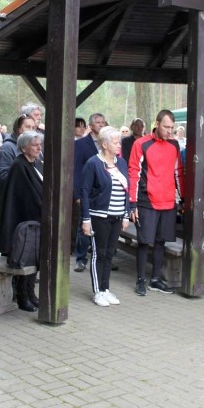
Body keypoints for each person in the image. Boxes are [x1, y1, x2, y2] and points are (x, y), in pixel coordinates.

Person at [128, 110, 184, 296]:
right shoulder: (141, 144)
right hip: (146, 201)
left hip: (168, 202)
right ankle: (141, 280)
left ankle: (155, 279)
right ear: (157, 124)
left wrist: (182, 198)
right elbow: (133, 172)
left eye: (172, 128)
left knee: (161, 242)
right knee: (144, 242)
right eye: (166, 127)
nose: (169, 131)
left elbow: (179, 172)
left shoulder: (175, 145)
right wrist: (132, 203)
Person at [0, 131, 44, 312]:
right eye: (34, 145)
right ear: (23, 148)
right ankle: (23, 297)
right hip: (24, 224)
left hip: (34, 224)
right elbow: (26, 196)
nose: (39, 148)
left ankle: (31, 293)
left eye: (39, 144)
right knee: (26, 261)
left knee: (35, 261)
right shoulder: (19, 165)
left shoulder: (34, 164)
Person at [79, 126, 130, 307]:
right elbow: (84, 191)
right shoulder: (93, 163)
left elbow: (126, 191)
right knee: (98, 254)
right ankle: (97, 291)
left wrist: (125, 215)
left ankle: (106, 288)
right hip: (98, 216)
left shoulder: (121, 163)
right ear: (105, 144)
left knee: (109, 254)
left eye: (119, 142)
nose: (119, 145)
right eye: (116, 142)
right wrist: (86, 219)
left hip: (116, 217)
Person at [73, 113, 108, 272]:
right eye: (97, 122)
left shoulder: (108, 144)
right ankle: (80, 259)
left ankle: (102, 258)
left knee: (103, 226)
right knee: (84, 226)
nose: (101, 124)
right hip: (87, 192)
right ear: (91, 125)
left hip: (104, 192)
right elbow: (76, 170)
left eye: (103, 122)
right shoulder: (80, 144)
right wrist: (78, 194)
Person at [0, 114, 39, 189]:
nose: (31, 131)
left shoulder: (34, 147)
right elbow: (2, 177)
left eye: (33, 128)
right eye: (28, 127)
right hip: (14, 198)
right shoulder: (7, 148)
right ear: (19, 129)